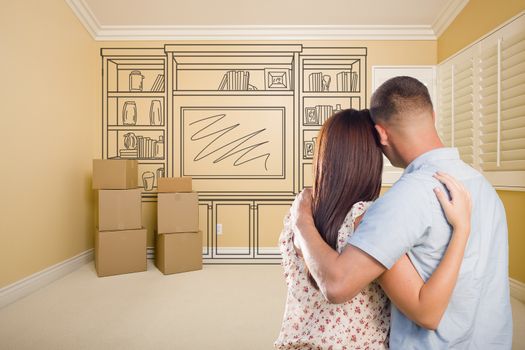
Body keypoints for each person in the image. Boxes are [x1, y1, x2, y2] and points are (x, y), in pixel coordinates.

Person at [291, 77, 512, 349]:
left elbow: (336, 286)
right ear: (432, 115)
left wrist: (301, 219)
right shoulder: (482, 187)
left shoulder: (403, 199)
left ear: (381, 134)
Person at [275, 109, 472, 349]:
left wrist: (301, 221)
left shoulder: (298, 214)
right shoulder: (367, 220)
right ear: (371, 159)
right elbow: (426, 312)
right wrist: (462, 228)